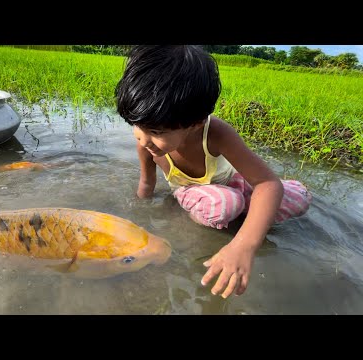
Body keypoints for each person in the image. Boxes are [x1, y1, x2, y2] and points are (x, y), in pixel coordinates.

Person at [115, 45, 312, 299]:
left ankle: (245, 215)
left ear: (195, 123)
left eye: (156, 132)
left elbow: (268, 183)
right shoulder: (147, 146)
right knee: (225, 204)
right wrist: (137, 216)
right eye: (137, 126)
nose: (143, 139)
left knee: (298, 197)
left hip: (232, 182)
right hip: (197, 193)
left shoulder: (216, 133)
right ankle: (240, 213)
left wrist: (244, 246)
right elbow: (146, 184)